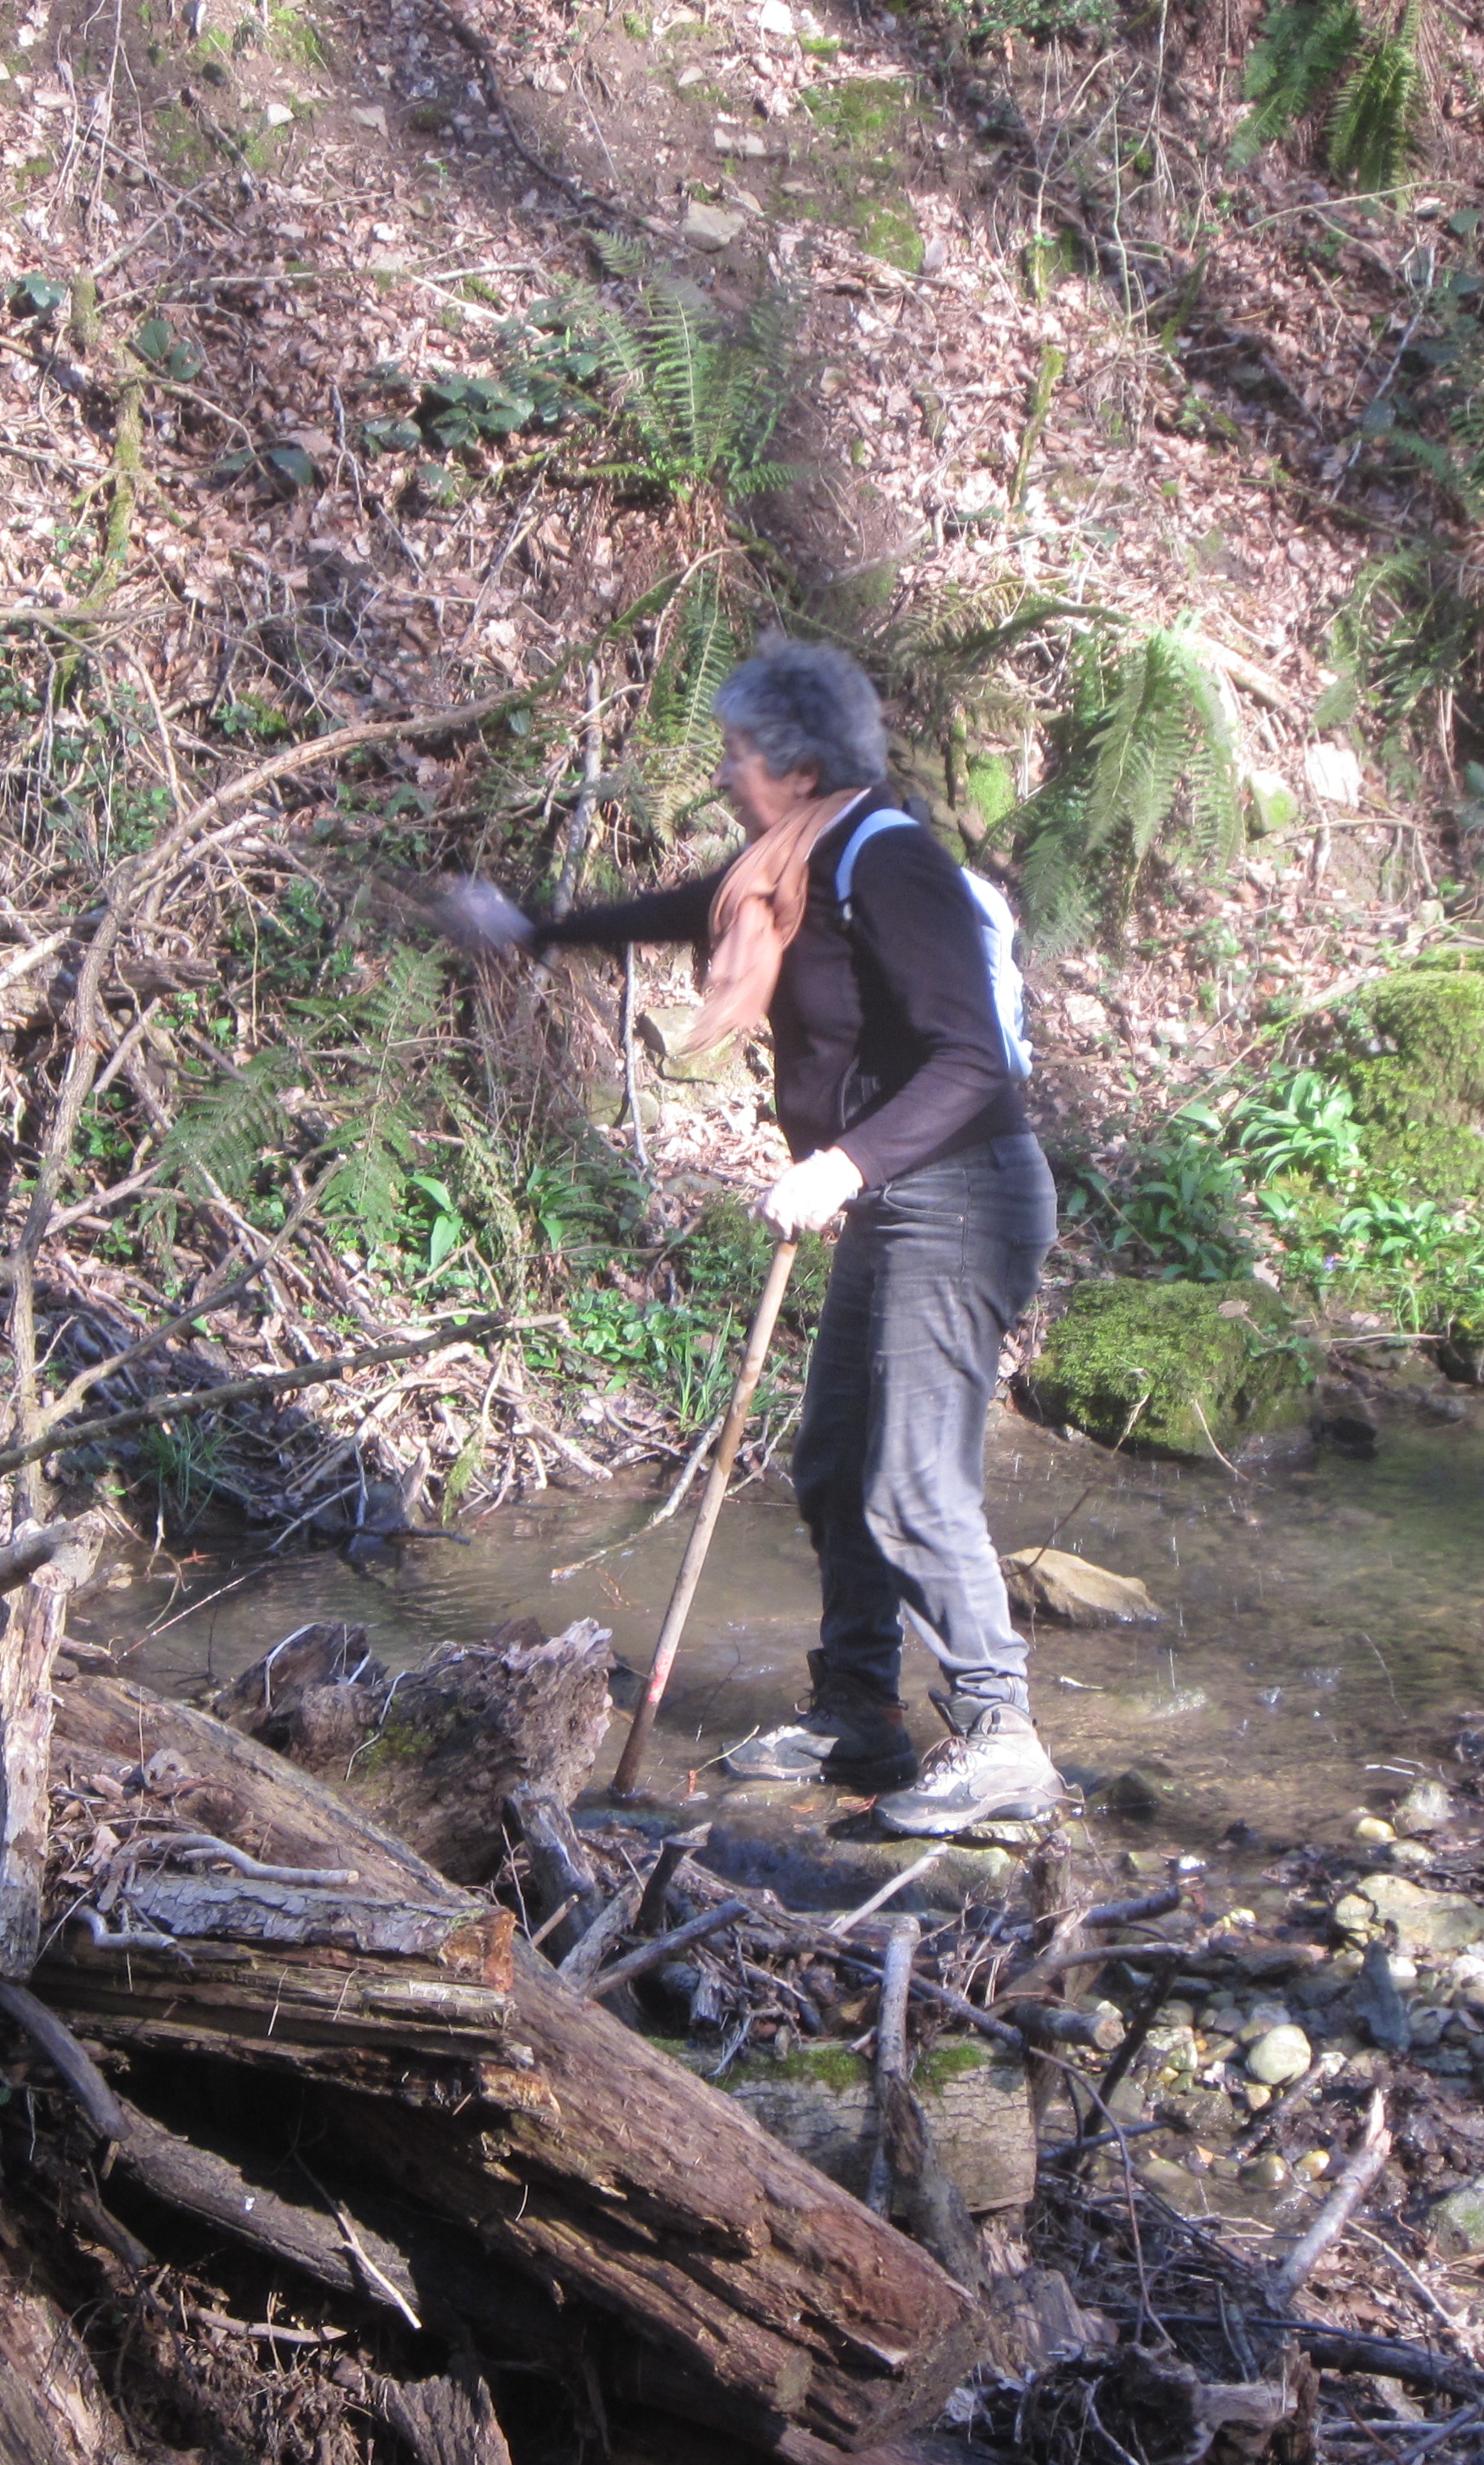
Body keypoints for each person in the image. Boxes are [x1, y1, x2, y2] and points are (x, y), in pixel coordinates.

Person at [436, 637, 1064, 1837]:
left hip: (964, 1199)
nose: (724, 773)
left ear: (798, 765)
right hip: (900, 1198)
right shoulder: (794, 864)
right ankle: (859, 1714)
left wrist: (843, 1163)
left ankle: (1003, 1737)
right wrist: (533, 929)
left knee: (911, 1477)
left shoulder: (891, 864)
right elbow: (686, 906)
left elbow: (974, 1059)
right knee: (833, 1460)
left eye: (738, 754)